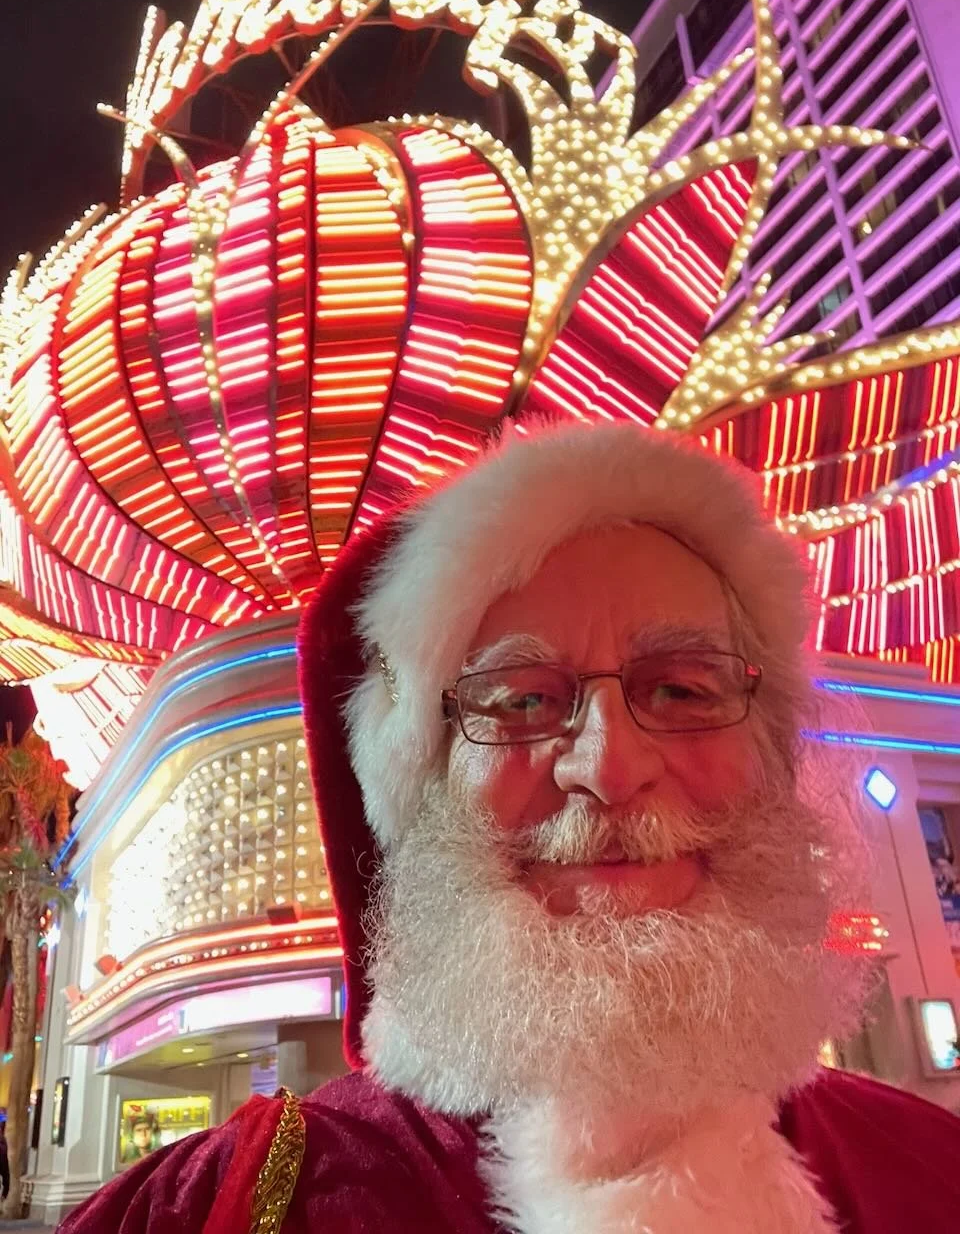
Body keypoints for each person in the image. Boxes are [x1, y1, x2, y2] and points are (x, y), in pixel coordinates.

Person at [59, 421, 960, 1233]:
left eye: (681, 688)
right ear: (427, 789)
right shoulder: (228, 1204)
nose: (609, 768)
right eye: (524, 700)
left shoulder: (929, 1171)